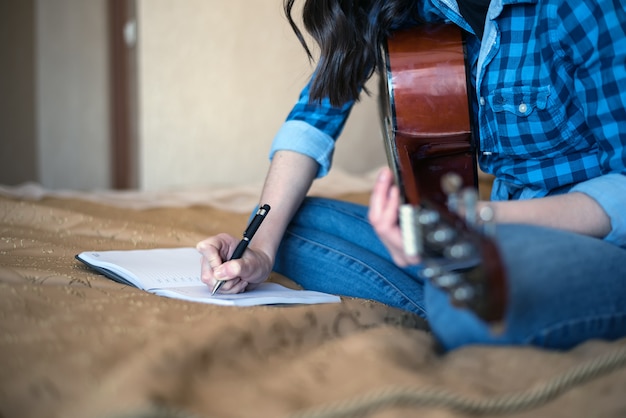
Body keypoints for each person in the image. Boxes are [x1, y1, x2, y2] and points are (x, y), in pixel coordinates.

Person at [196, 0, 626, 351]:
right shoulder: (408, 7)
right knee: (289, 224)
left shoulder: (578, 8)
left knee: (467, 298)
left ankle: (452, 296)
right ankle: (453, 289)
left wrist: (478, 219)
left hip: (594, 238)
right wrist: (260, 252)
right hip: (484, 233)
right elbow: (315, 113)